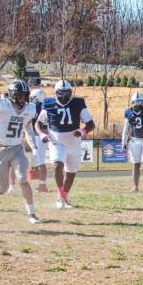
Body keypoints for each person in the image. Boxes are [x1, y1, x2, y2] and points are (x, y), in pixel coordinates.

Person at [0, 80, 41, 224]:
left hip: (17, 148)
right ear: (12, 95)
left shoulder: (30, 109)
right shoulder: (1, 105)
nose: (22, 98)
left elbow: (29, 131)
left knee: (23, 180)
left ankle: (32, 214)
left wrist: (34, 148)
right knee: (3, 190)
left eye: (25, 95)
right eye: (19, 95)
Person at [36, 80, 95, 208]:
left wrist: (82, 131)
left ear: (71, 92)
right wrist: (42, 134)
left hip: (74, 142)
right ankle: (60, 197)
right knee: (58, 165)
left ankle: (64, 198)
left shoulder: (78, 103)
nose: (63, 96)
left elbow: (91, 124)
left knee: (71, 172)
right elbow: (38, 123)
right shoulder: (48, 103)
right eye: (60, 93)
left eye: (66, 93)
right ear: (55, 93)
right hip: (56, 141)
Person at [122, 92, 143, 192]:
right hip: (135, 140)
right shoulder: (128, 112)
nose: (138, 104)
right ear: (132, 102)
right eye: (136, 102)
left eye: (140, 102)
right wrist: (123, 143)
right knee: (136, 164)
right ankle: (136, 186)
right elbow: (126, 129)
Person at [29, 89, 48, 192]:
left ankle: (42, 185)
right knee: (36, 161)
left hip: (38, 136)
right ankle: (38, 183)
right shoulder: (46, 106)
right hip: (42, 135)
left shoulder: (36, 108)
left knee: (40, 161)